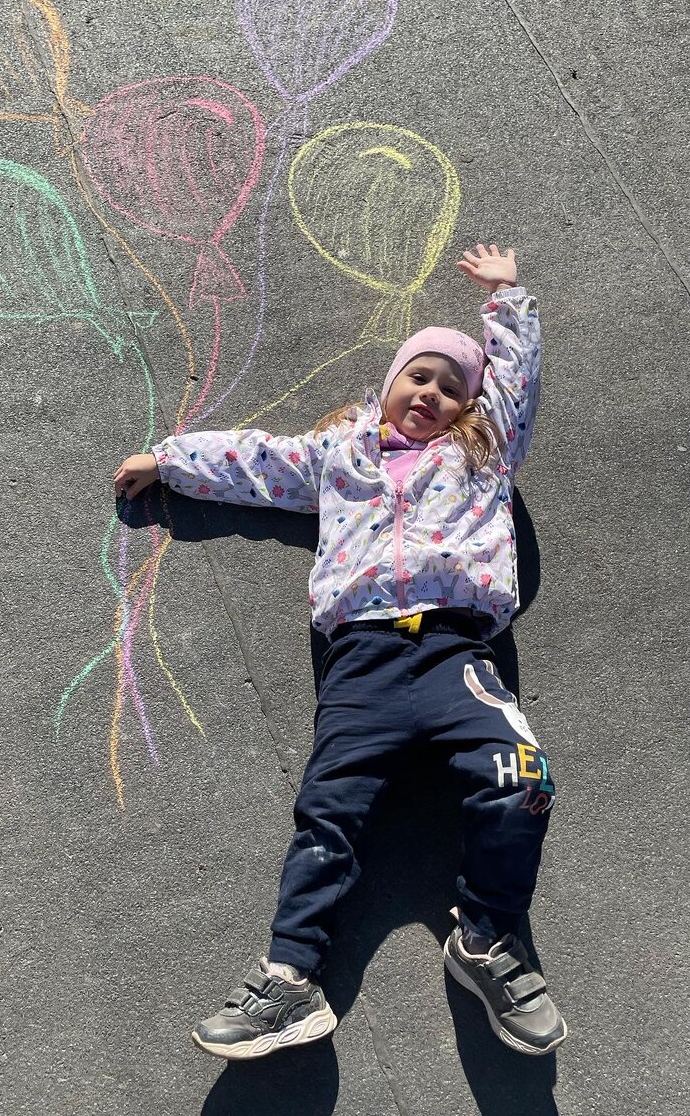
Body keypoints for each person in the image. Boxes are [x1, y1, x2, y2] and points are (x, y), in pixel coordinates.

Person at [113, 243, 566, 1058]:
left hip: (456, 653)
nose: (430, 394)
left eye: (450, 387)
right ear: (389, 384)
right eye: (417, 377)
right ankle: (289, 980)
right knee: (329, 813)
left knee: (520, 780)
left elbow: (516, 383)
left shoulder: (482, 452)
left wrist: (506, 301)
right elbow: (254, 460)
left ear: (470, 408)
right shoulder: (338, 456)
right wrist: (169, 461)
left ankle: (487, 940)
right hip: (360, 662)